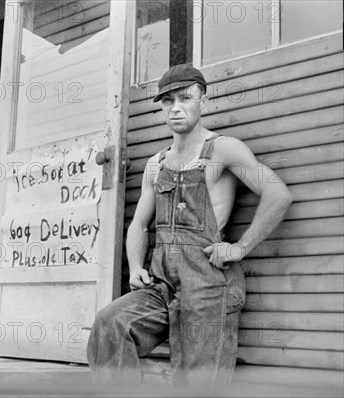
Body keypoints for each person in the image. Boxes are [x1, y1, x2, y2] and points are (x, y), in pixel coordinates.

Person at [87, 64, 293, 387]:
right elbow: (139, 224)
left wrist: (240, 247)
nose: (176, 108)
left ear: (203, 100)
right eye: (168, 102)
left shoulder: (222, 150)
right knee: (109, 325)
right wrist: (134, 265)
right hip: (163, 286)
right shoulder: (156, 165)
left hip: (209, 285)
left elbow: (277, 193)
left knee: (195, 386)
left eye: (186, 98)